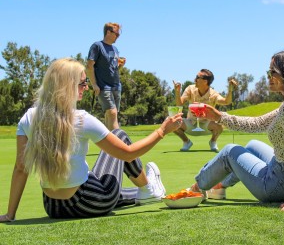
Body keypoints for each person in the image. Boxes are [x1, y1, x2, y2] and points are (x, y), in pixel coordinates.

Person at [0, 58, 183, 222]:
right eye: (82, 83)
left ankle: (146, 192)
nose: (86, 87)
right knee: (119, 135)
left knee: (94, 177)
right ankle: (148, 188)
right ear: (67, 86)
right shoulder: (81, 118)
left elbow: (20, 168)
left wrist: (10, 214)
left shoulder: (28, 117)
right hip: (91, 202)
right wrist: (162, 131)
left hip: (53, 207)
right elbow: (128, 154)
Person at [189, 51, 284, 211]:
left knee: (229, 152)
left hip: (281, 187)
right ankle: (219, 186)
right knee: (252, 145)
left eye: (273, 71)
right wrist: (219, 117)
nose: (269, 76)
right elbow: (257, 123)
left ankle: (196, 189)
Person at [173, 69, 238, 152]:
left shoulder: (213, 94)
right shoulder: (190, 88)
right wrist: (177, 92)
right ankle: (186, 142)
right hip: (191, 124)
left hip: (206, 126)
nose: (194, 79)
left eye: (197, 77)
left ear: (205, 81)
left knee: (219, 126)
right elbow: (179, 104)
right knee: (172, 121)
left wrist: (230, 90)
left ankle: (213, 141)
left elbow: (226, 101)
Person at [87, 22, 125, 130]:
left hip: (116, 86)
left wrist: (120, 66)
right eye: (116, 34)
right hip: (104, 87)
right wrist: (94, 85)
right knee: (112, 113)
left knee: (112, 116)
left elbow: (113, 68)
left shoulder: (115, 49)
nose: (117, 37)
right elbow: (89, 66)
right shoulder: (97, 46)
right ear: (108, 32)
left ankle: (107, 147)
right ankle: (118, 144)